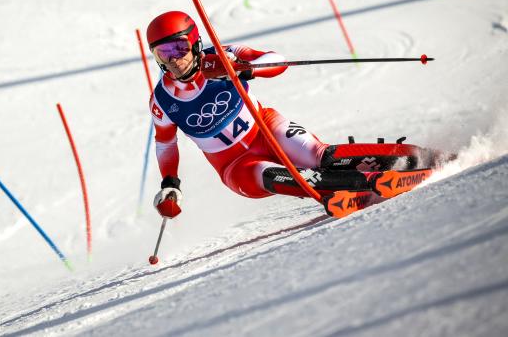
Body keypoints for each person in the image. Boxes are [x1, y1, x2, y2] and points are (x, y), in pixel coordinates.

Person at [146, 11, 431, 218]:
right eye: (163, 53)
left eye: (179, 47)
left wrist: (245, 68)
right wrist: (170, 183)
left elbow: (278, 61)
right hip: (235, 165)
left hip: (266, 128)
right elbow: (165, 144)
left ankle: (410, 156)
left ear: (195, 43)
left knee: (319, 155)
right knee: (278, 174)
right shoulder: (162, 100)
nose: (174, 59)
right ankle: (367, 184)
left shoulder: (223, 55)